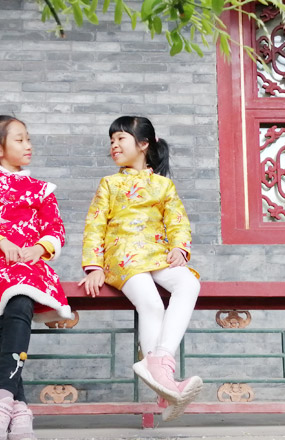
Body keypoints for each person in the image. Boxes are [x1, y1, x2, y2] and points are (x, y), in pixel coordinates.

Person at [0, 115, 73, 440]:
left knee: (19, 299)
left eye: (27, 138)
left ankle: (3, 396)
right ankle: (17, 406)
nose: (28, 144)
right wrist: (0, 242)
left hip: (30, 264)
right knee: (0, 316)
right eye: (19, 139)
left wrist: (39, 248)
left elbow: (55, 230)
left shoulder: (41, 189)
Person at [79, 116, 203, 422]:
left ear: (143, 144)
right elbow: (94, 225)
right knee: (151, 305)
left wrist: (178, 247)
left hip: (158, 255)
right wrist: (93, 267)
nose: (114, 145)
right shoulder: (110, 183)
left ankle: (161, 363)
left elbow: (177, 221)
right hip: (122, 257)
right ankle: (164, 380)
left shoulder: (164, 186)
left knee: (188, 283)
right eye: (112, 141)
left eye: (121, 138)